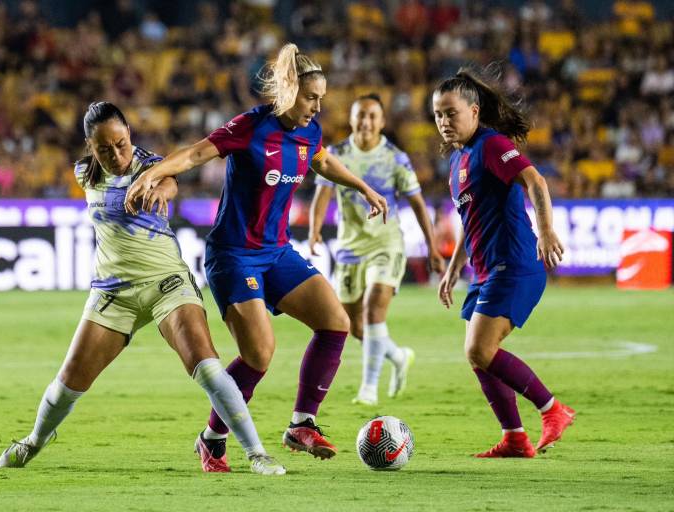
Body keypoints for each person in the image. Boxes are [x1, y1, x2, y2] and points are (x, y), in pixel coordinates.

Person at [124, 44, 388, 471]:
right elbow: (194, 153)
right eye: (310, 97)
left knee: (335, 321)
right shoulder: (250, 126)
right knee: (259, 355)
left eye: (321, 98)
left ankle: (302, 423)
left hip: (277, 252)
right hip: (234, 257)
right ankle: (213, 439)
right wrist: (153, 173)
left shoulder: (310, 131)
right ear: (288, 90)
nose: (317, 106)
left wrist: (362, 187)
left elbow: (322, 162)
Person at [0, 102, 285, 475]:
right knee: (68, 383)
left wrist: (162, 189)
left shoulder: (149, 166)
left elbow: (169, 180)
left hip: (167, 284)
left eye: (121, 144)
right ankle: (35, 440)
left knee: (207, 365)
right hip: (113, 293)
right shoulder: (85, 173)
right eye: (104, 148)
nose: (116, 155)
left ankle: (256, 452)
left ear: (130, 135)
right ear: (90, 146)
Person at [432, 69, 576, 458]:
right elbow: (470, 219)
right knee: (479, 356)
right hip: (485, 270)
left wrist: (545, 231)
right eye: (438, 115)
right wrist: (452, 267)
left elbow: (536, 182)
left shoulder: (491, 145)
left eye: (451, 113)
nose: (444, 122)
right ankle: (514, 437)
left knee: (480, 350)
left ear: (474, 111)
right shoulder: (459, 160)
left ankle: (553, 410)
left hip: (512, 264)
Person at [309, 93, 446, 406]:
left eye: (372, 116)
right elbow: (323, 195)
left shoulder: (395, 158)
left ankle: (368, 389)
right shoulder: (336, 153)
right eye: (361, 115)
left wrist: (432, 247)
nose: (366, 122)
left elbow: (418, 204)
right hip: (348, 248)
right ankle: (397, 356)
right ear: (352, 119)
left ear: (382, 122)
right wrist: (316, 231)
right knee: (355, 326)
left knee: (373, 309)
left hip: (386, 243)